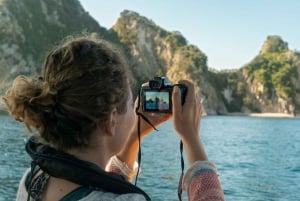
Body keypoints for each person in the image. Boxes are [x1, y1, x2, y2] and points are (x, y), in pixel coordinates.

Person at [2, 36, 225, 201]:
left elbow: (98, 185)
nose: (134, 111)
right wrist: (192, 139)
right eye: (130, 105)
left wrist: (134, 136)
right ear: (110, 121)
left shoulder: (33, 179)